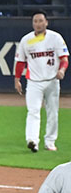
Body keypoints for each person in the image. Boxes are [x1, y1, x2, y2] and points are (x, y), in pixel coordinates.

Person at [14, 10, 68, 152]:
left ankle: (50, 141)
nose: (38, 24)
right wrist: (17, 79)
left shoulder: (55, 38)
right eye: (35, 21)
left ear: (46, 22)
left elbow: (64, 59)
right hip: (34, 82)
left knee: (53, 112)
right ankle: (32, 140)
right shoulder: (26, 40)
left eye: (40, 21)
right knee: (33, 111)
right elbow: (20, 62)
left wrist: (62, 70)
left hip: (52, 81)